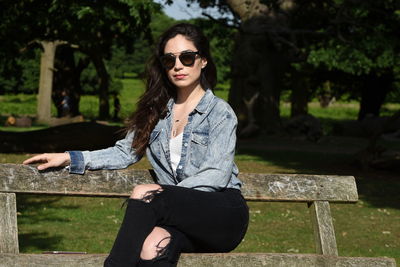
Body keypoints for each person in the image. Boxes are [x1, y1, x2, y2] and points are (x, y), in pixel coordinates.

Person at [23, 23, 249, 267]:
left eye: (187, 57)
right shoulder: (156, 112)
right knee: (153, 246)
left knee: (146, 193)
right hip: (178, 216)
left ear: (202, 61)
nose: (178, 66)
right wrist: (70, 158)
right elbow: (124, 153)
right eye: (169, 60)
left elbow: (215, 175)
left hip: (222, 215)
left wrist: (165, 197)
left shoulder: (219, 113)